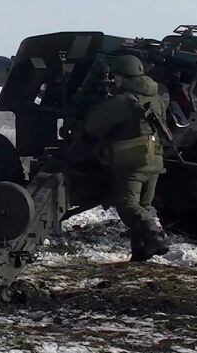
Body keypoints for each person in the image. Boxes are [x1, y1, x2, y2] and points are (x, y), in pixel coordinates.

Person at [83, 54, 170, 262]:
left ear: (122, 76)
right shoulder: (156, 97)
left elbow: (91, 126)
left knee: (126, 203)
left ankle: (156, 235)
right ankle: (141, 252)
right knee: (144, 205)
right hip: (156, 159)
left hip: (135, 160)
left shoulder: (122, 101)